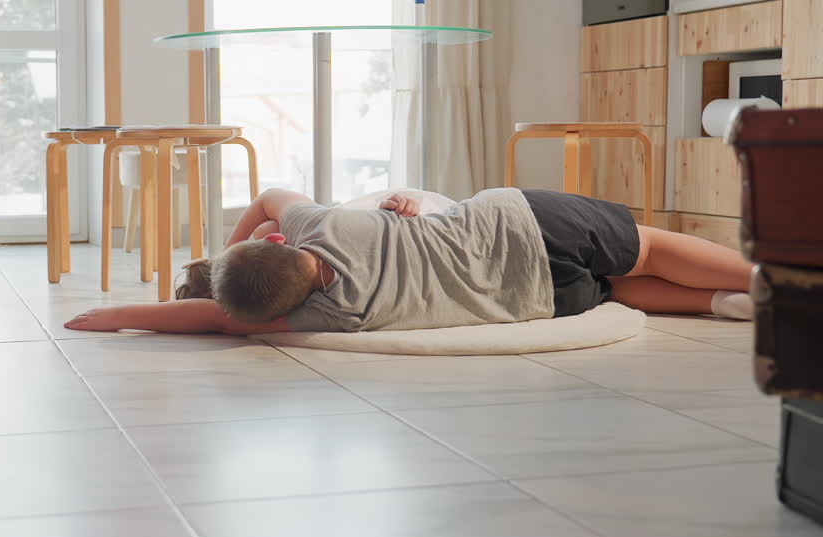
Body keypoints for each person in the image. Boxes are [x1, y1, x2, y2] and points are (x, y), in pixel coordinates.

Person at [64, 187, 754, 335]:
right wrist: (229, 245)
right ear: (277, 243)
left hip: (540, 299)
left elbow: (216, 321)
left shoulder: (329, 317)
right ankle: (764, 280)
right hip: (522, 226)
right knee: (648, 248)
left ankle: (723, 304)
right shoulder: (322, 223)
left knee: (618, 289)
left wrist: (124, 316)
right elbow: (272, 195)